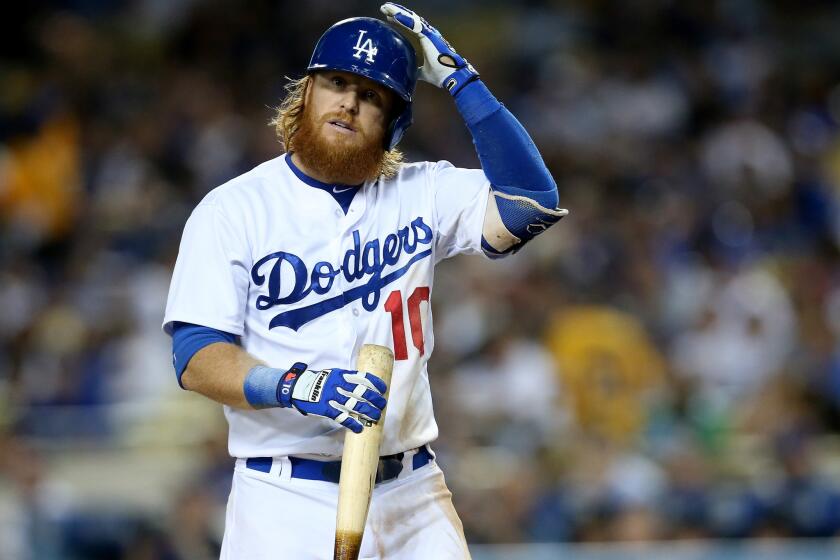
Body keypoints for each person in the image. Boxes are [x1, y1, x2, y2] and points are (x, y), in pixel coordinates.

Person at [163, 3, 566, 558]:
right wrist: (298, 386)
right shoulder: (234, 209)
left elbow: (531, 205)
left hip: (412, 491)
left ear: (393, 122)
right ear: (306, 93)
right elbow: (196, 357)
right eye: (336, 82)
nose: (349, 102)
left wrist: (461, 81)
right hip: (283, 497)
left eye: (372, 95)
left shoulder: (423, 190)